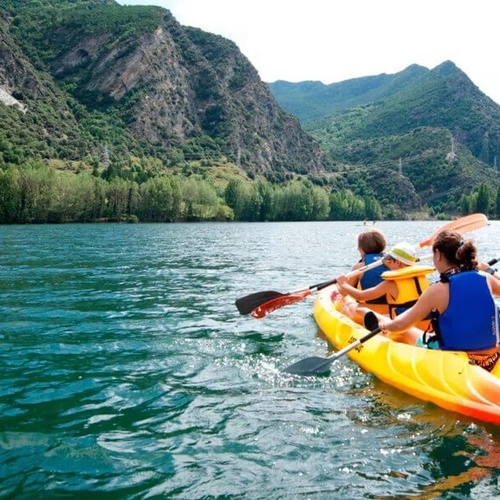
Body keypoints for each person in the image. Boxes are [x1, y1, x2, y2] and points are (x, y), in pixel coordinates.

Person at [377, 229, 500, 372]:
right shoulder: (486, 278)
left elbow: (401, 325)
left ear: (438, 255)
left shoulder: (436, 291)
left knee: (405, 334)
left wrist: (385, 325)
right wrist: (490, 270)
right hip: (493, 356)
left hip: (458, 361)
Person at [337, 241, 434, 327]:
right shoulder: (422, 277)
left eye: (390, 261)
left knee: (360, 310)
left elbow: (360, 296)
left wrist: (343, 284)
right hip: (425, 325)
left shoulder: (390, 284)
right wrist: (387, 261)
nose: (387, 263)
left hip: (402, 327)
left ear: (398, 262)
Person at [346, 228, 390, 314]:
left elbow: (346, 291)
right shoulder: (394, 264)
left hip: (366, 312)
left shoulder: (359, 268)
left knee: (345, 298)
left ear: (361, 249)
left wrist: (341, 283)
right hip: (391, 311)